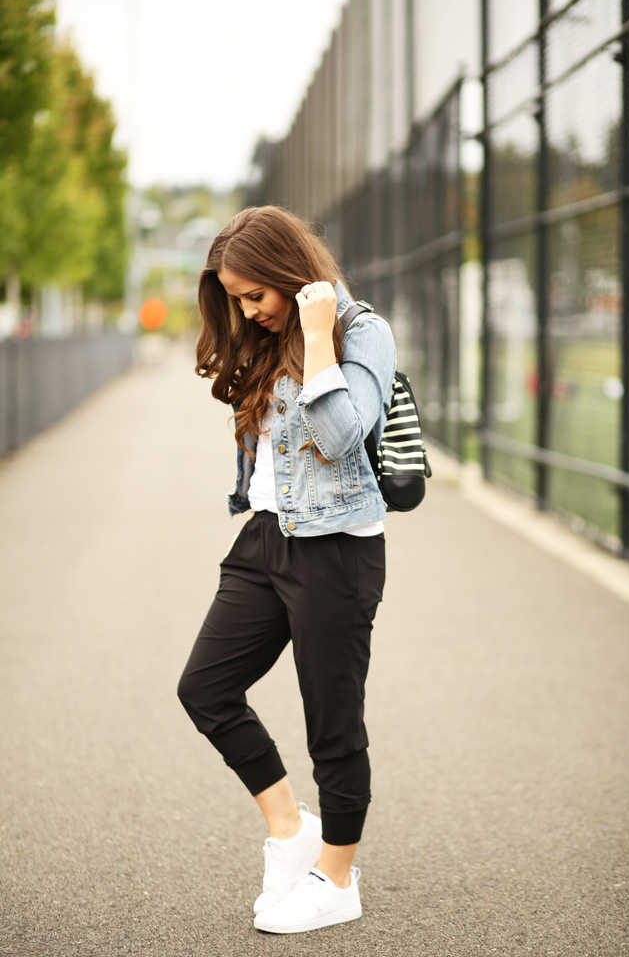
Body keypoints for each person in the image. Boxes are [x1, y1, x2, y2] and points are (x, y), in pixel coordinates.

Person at [177, 205, 396, 935]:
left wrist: (317, 332)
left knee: (332, 719)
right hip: (267, 538)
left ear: (288, 273)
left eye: (254, 295)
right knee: (205, 687)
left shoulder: (362, 333)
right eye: (235, 299)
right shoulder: (263, 339)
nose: (247, 311)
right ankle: (288, 829)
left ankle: (337, 876)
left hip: (335, 549)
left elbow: (339, 439)